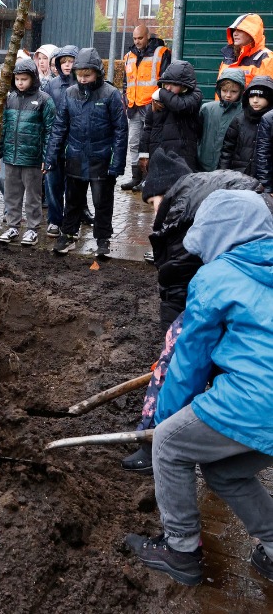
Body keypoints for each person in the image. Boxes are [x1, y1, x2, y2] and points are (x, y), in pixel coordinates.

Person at [126, 189, 273, 588]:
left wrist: (161, 422)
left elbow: (188, 364)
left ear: (219, 235)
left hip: (258, 398)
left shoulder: (216, 277)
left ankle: (181, 549)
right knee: (225, 471)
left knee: (171, 444)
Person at [120, 154, 263, 475]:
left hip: (235, 278)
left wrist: (170, 343)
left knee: (175, 364)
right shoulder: (201, 190)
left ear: (166, 191)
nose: (153, 209)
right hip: (250, 275)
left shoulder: (179, 212)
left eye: (153, 200)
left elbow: (176, 286)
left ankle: (155, 440)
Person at [43, 47, 128, 259]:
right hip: (75, 156)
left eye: (87, 75)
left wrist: (117, 163)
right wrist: (51, 156)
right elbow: (60, 127)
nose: (82, 79)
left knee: (102, 201)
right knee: (73, 200)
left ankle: (102, 239)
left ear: (97, 73)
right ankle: (68, 235)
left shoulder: (110, 94)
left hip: (102, 157)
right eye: (79, 75)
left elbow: (120, 130)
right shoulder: (69, 94)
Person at [0, 58, 56, 246]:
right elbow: (2, 127)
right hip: (11, 156)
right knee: (11, 193)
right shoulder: (9, 99)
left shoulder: (44, 100)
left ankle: (32, 228)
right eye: (18, 79)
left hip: (33, 158)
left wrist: (47, 157)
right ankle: (12, 225)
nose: (20, 83)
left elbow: (50, 131)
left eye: (24, 79)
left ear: (33, 79)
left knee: (33, 194)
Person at [121, 25, 171, 191]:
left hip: (151, 106)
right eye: (135, 39)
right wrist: (126, 98)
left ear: (148, 36)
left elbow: (164, 80)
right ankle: (136, 177)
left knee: (150, 143)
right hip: (134, 106)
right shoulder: (129, 56)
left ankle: (148, 177)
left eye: (140, 38)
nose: (137, 42)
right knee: (134, 143)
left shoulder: (161, 53)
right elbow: (126, 81)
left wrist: (159, 101)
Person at [137, 60, 203, 174]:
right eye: (165, 84)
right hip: (158, 155)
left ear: (184, 85)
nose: (167, 88)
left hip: (182, 159)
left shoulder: (194, 96)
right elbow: (148, 128)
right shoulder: (157, 100)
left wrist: (160, 93)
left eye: (173, 84)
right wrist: (144, 154)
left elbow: (180, 106)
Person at [43, 45, 78, 237]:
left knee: (73, 185)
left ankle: (72, 220)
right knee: (52, 183)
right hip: (55, 140)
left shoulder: (82, 84)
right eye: (63, 62)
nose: (67, 65)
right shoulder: (52, 85)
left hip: (74, 141)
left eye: (71, 61)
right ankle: (54, 220)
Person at [218, 76, 272, 177]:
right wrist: (222, 176)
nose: (255, 100)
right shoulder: (239, 120)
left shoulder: (270, 121)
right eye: (252, 96)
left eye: (260, 96)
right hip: (238, 177)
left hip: (265, 179)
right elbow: (226, 152)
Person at [197, 68, 245, 172]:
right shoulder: (207, 109)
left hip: (229, 169)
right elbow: (198, 136)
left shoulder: (244, 112)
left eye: (234, 91)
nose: (228, 95)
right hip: (203, 165)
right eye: (224, 90)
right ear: (219, 89)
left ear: (241, 92)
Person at [217, 13, 272, 87]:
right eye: (234, 30)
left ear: (252, 33)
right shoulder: (228, 56)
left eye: (240, 30)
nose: (235, 34)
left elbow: (267, 92)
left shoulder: (267, 59)